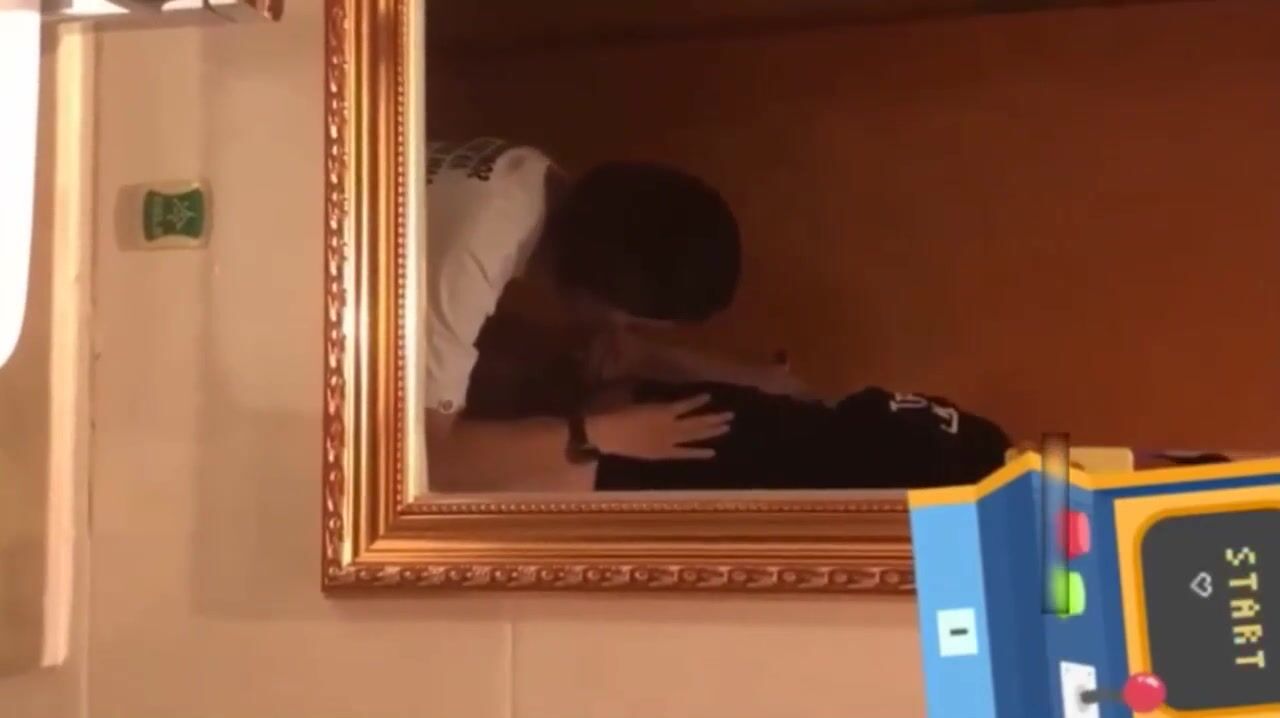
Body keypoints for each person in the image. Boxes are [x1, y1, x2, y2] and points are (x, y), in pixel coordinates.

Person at [425, 138, 809, 493]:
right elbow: (429, 462)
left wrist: (746, 377)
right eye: (632, 322)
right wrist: (603, 434)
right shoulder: (465, 266)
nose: (620, 332)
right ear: (606, 293)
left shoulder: (527, 175)